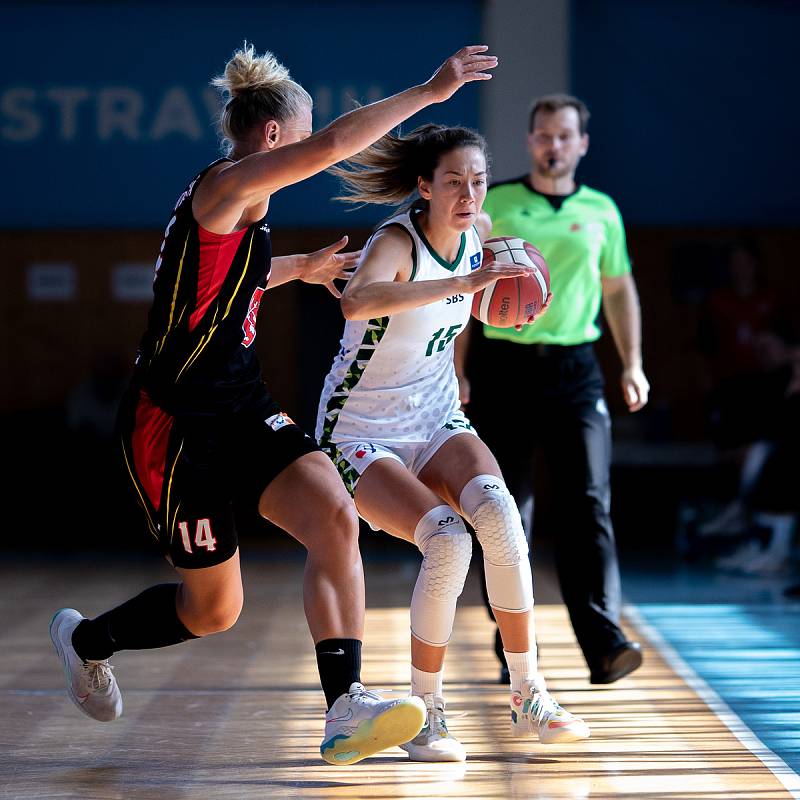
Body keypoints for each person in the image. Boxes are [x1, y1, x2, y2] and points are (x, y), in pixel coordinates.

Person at [49, 41, 499, 766]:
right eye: (305, 131)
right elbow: (332, 144)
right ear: (272, 138)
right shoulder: (226, 188)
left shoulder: (235, 215)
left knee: (331, 510)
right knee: (213, 612)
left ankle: (344, 707)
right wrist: (429, 90)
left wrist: (307, 268)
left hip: (239, 401)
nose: (313, 145)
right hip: (172, 421)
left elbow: (240, 276)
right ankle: (87, 641)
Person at [316, 123, 590, 763]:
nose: (468, 193)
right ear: (424, 186)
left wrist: (515, 291)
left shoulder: (480, 229)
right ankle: (427, 715)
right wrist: (460, 287)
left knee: (500, 517)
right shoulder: (396, 241)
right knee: (446, 538)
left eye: (478, 180)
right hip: (360, 428)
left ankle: (529, 691)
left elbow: (486, 295)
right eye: (453, 181)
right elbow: (356, 302)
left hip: (435, 412)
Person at [457, 93, 648, 685]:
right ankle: (509, 633)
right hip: (503, 369)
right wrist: (457, 369)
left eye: (565, 136)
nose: (553, 145)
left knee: (588, 501)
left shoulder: (602, 211)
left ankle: (604, 641)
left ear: (582, 144)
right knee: (505, 509)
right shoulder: (500, 205)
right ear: (530, 140)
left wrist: (632, 363)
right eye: (543, 135)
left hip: (575, 369)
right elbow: (466, 290)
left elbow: (618, 290)